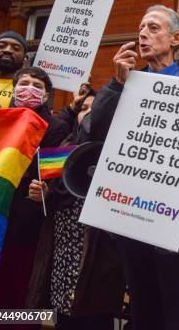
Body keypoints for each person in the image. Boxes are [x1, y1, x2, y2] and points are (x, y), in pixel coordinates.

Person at [88, 5, 179, 330]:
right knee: (144, 316)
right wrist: (116, 85)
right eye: (140, 29)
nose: (143, 35)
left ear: (175, 38)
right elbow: (95, 134)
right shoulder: (128, 85)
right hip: (134, 224)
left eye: (153, 28)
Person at [26, 90, 126, 330]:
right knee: (62, 315)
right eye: (84, 109)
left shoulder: (119, 151)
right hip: (63, 249)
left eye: (96, 109)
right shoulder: (64, 147)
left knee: (95, 315)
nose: (89, 114)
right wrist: (43, 195)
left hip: (98, 254)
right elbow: (53, 196)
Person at [0, 67, 70, 329]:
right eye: (23, 83)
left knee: (20, 288)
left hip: (27, 222)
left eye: (36, 85)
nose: (28, 88)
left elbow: (56, 177)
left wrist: (46, 192)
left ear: (45, 96)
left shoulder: (57, 127)